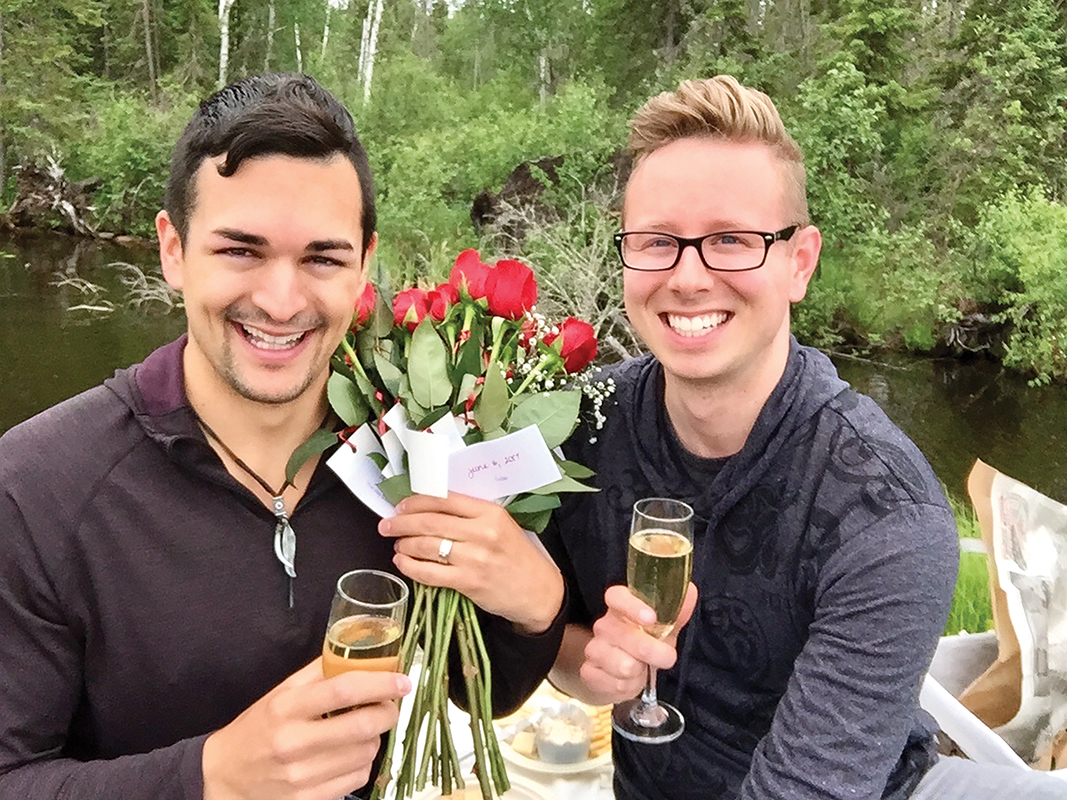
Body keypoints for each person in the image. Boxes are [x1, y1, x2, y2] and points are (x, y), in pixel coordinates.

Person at [0, 73, 564, 800]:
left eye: (322, 259)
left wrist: (537, 604)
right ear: (172, 250)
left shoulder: (409, 448)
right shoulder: (35, 488)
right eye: (240, 250)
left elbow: (482, 690)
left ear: (364, 261)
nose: (280, 300)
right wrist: (210, 778)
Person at [542, 75, 1065, 799]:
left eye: (731, 240)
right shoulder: (579, 426)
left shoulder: (885, 512)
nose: (687, 278)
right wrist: (582, 663)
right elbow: (533, 651)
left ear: (800, 262)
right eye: (657, 242)